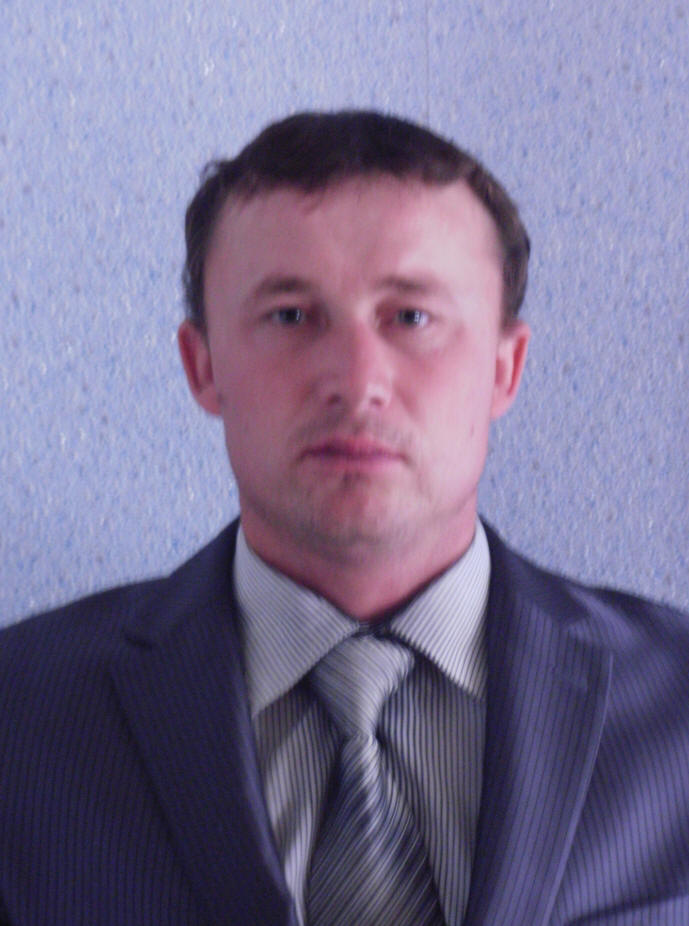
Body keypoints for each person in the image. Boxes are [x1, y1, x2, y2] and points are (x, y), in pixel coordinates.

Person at [1, 110, 688, 926]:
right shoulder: (21, 716)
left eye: (411, 317)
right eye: (291, 315)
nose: (357, 382)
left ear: (504, 369)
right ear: (204, 366)